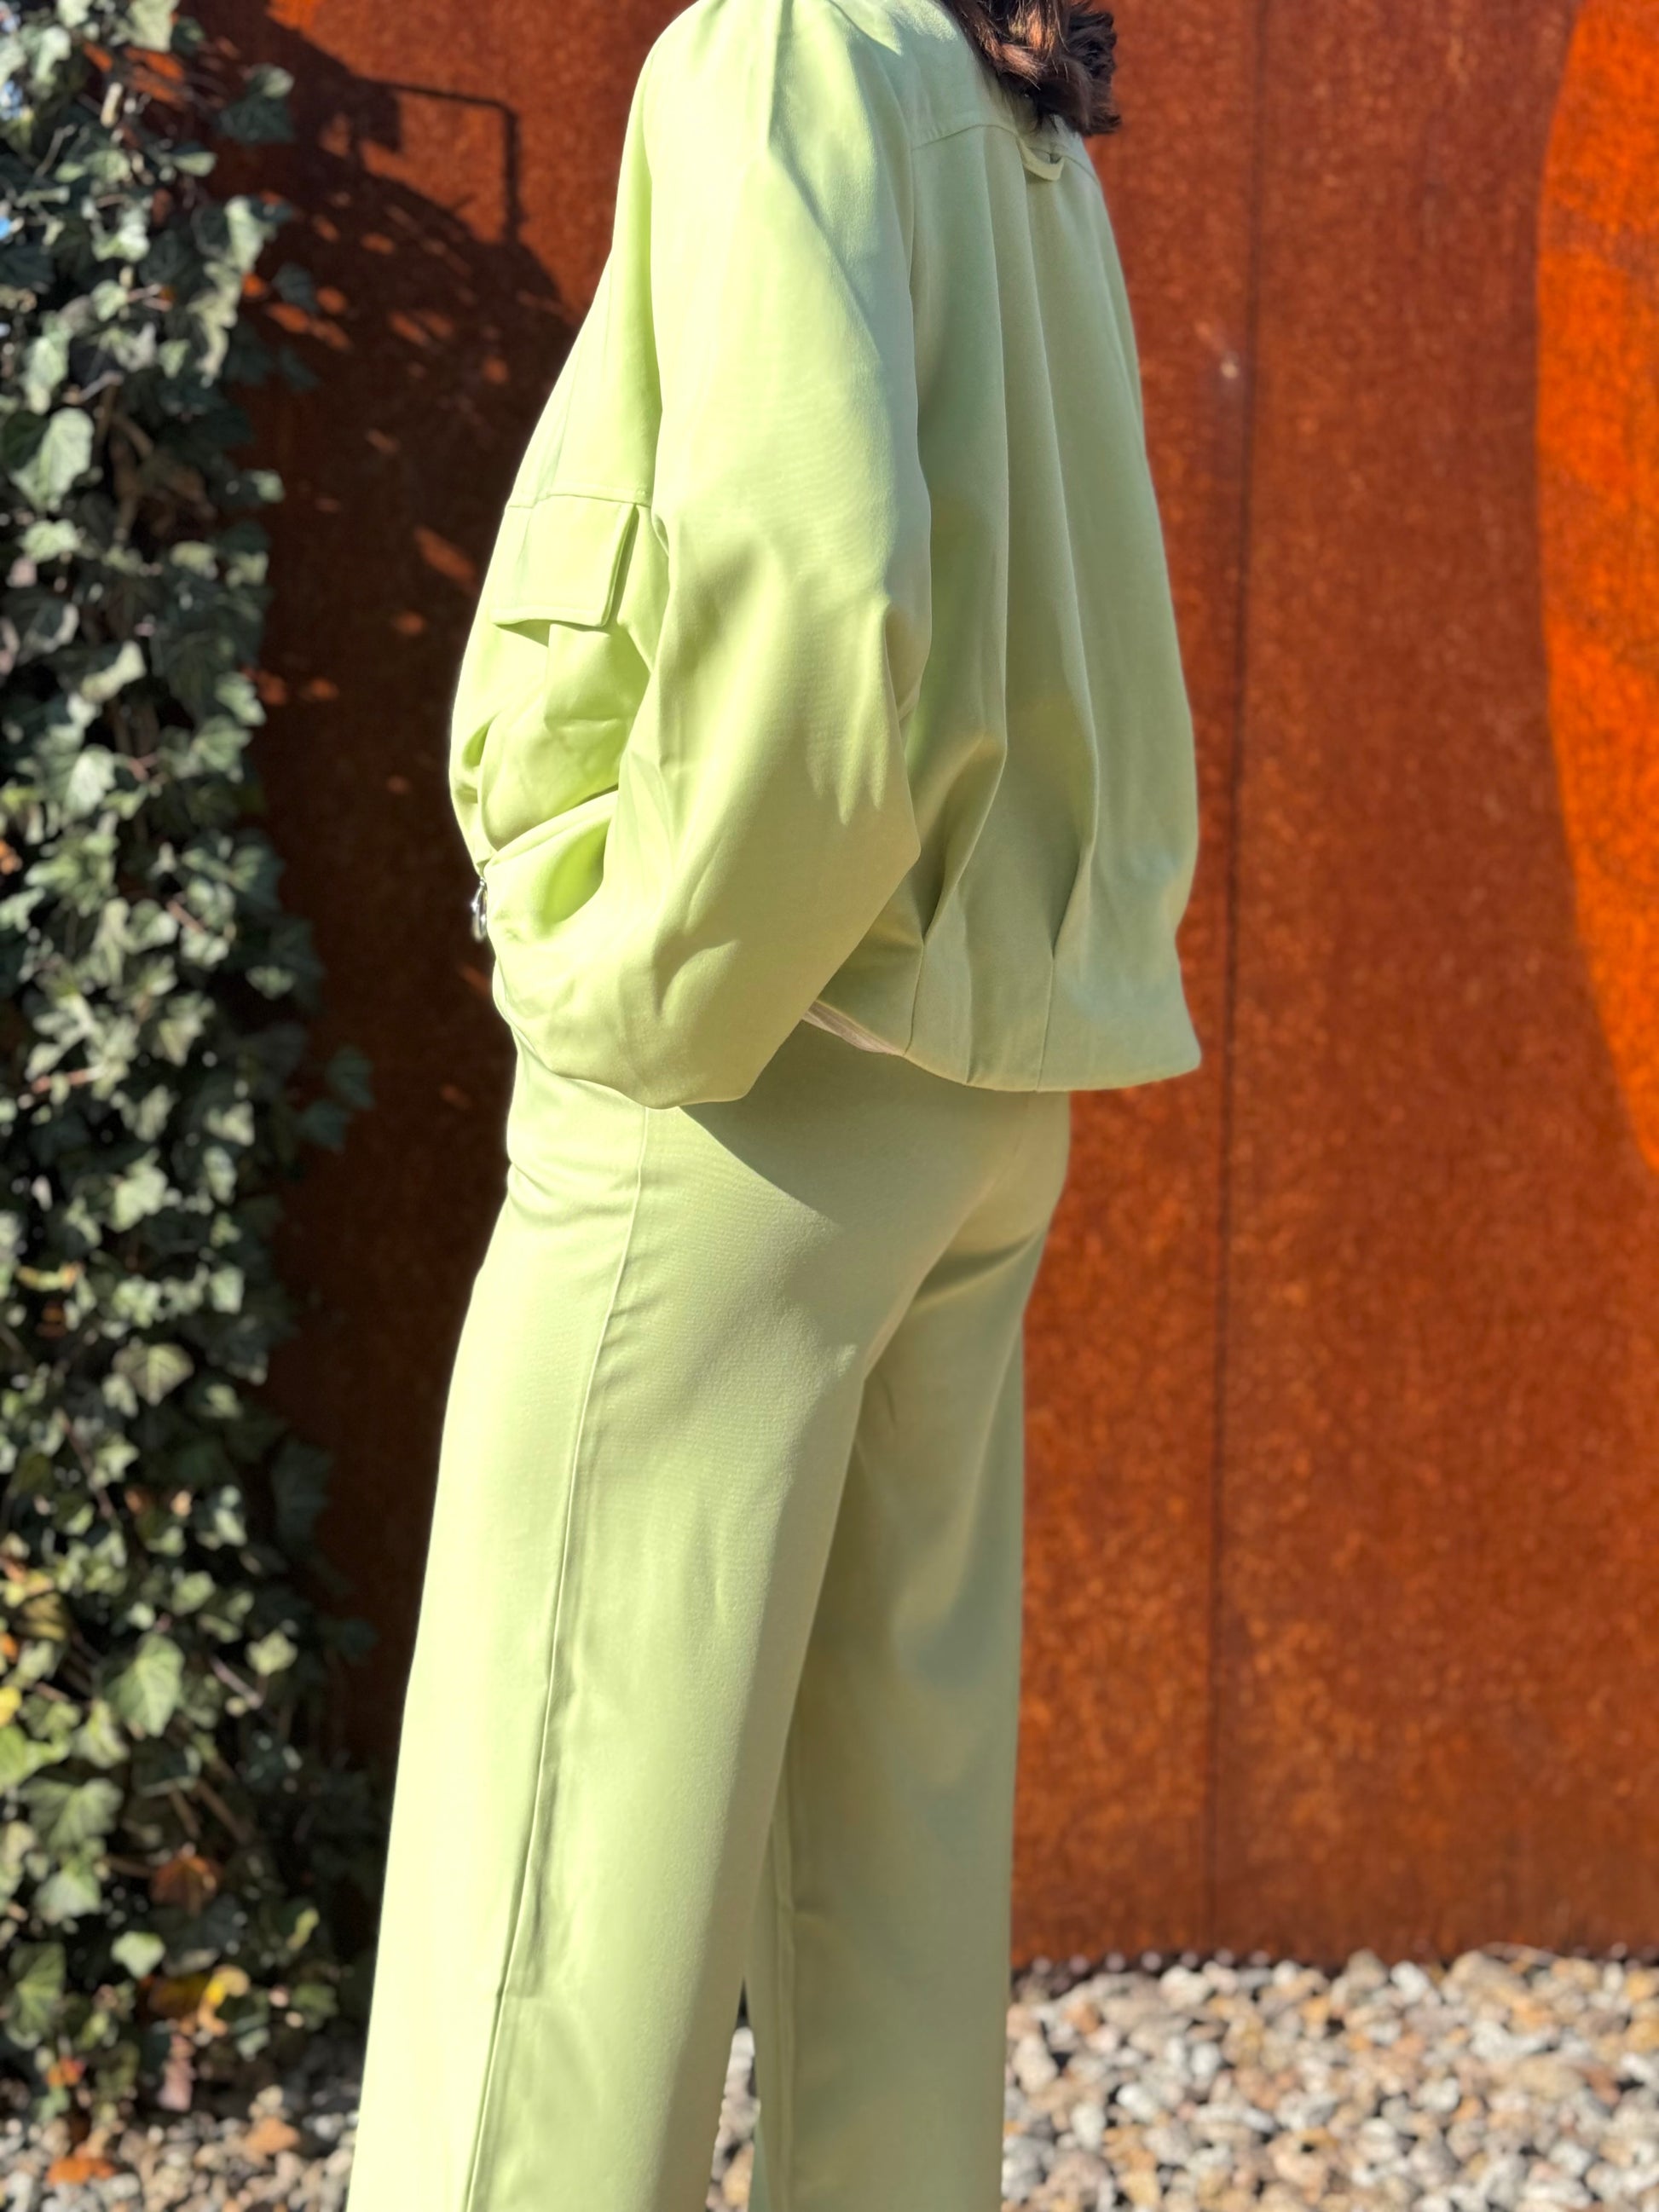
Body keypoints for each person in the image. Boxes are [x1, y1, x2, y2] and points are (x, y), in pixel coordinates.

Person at [344, 0, 1200, 2206]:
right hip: (971, 1088)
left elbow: (814, 606)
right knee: (880, 1866)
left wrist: (630, 981)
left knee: (551, 1896)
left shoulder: (785, 50)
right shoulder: (1010, 95)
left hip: (743, 1083)